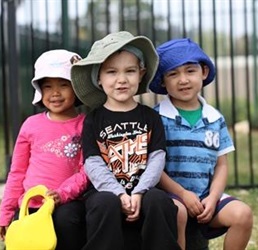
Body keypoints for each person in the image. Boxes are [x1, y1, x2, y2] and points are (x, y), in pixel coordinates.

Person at [70, 31, 181, 250]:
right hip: (105, 192)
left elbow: (157, 158)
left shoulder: (150, 117)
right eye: (112, 72)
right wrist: (119, 193)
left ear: (141, 74)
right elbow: (92, 162)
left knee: (159, 201)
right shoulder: (93, 119)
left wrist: (139, 192)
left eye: (130, 71)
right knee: (104, 202)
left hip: (145, 189)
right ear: (98, 79)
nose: (121, 79)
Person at [149, 38, 254, 250]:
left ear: (203, 72)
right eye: (173, 74)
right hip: (172, 197)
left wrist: (214, 197)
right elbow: (153, 166)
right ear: (162, 81)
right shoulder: (156, 118)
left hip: (206, 197)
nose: (183, 80)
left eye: (190, 71)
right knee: (177, 211)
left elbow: (221, 165)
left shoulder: (215, 118)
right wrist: (182, 193)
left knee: (243, 214)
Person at [0, 49, 88, 250]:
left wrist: (62, 194)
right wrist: (6, 212)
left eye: (64, 85)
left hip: (67, 204)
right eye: (47, 86)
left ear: (77, 88)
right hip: (30, 204)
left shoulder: (85, 125)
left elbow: (86, 171)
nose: (55, 93)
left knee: (66, 223)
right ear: (39, 90)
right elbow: (17, 172)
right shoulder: (30, 125)